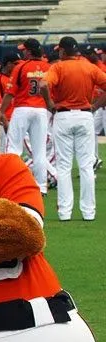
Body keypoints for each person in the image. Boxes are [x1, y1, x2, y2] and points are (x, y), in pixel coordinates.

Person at [40, 36, 106, 221]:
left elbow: (44, 84)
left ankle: (65, 212)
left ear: (62, 51)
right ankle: (88, 212)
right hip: (85, 115)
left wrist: (49, 103)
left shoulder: (58, 67)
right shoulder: (89, 66)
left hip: (64, 115)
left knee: (64, 166)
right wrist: (96, 106)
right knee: (86, 166)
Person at [0, 38, 51, 194]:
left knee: (14, 148)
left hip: (22, 109)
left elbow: (10, 93)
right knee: (39, 150)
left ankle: (11, 182)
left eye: (24, 49)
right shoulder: (48, 67)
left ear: (29, 51)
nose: (22, 51)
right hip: (41, 110)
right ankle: (41, 186)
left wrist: (2, 111)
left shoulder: (21, 67)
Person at [82, 44, 106, 171]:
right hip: (97, 107)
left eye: (88, 54)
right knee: (92, 132)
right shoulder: (90, 67)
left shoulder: (101, 68)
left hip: (101, 105)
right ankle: (95, 159)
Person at [0, 53, 20, 152]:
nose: (18, 66)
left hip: (16, 119)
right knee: (3, 151)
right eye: (15, 64)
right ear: (8, 64)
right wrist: (5, 121)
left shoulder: (14, 78)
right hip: (5, 121)